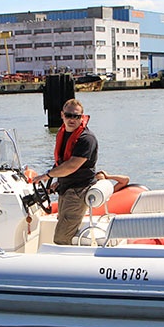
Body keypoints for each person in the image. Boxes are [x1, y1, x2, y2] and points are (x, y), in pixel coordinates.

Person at [35, 98, 98, 245]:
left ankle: (69, 265)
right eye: (69, 115)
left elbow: (71, 166)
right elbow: (62, 161)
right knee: (64, 227)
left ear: (82, 117)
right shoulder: (63, 134)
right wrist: (57, 181)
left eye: (76, 116)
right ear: (62, 115)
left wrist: (47, 175)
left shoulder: (86, 139)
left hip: (78, 191)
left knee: (61, 238)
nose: (72, 119)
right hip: (66, 188)